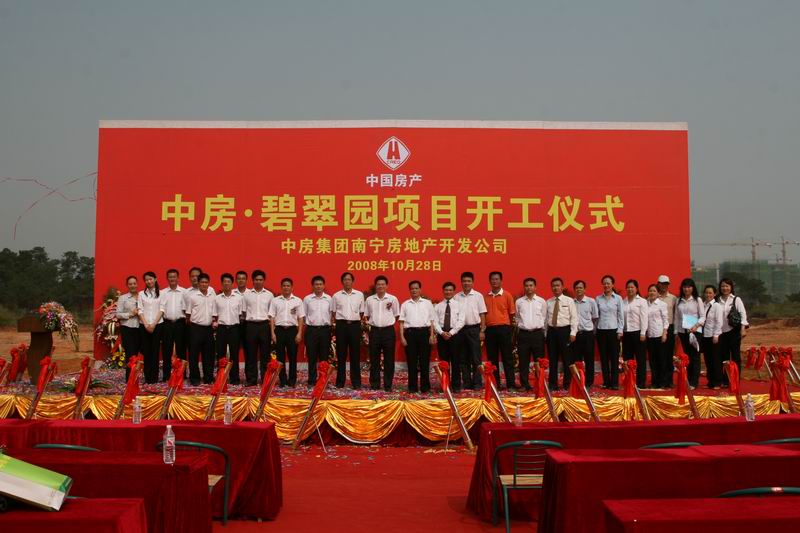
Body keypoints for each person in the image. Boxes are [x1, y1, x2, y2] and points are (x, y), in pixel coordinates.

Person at [363, 275, 400, 391]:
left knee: (389, 359)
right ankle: (375, 384)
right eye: (378, 284)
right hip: (374, 331)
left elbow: (396, 315)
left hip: (388, 331)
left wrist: (386, 323)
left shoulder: (393, 299)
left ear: (386, 286)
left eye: (383, 284)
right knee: (374, 359)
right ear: (375, 286)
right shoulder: (369, 300)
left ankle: (388, 385)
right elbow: (366, 315)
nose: (380, 286)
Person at [399, 280, 436, 393]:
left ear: (420, 289)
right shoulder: (405, 304)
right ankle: (412, 387)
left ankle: (425, 387)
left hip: (424, 333)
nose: (414, 290)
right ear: (409, 290)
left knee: (425, 361)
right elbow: (401, 322)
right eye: (412, 288)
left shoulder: (427, 303)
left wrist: (432, 335)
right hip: (410, 334)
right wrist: (402, 337)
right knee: (411, 362)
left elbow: (432, 320)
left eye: (416, 288)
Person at [269, 278, 305, 387]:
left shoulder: (297, 301)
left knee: (292, 357)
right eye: (284, 285)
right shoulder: (275, 300)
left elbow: (301, 318)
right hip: (279, 330)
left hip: (292, 331)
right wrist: (273, 333)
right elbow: (272, 317)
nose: (286, 287)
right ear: (281, 287)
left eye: (288, 285)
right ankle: (283, 380)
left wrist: (299, 333)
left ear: (292, 287)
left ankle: (292, 380)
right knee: (280, 357)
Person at [484, 271, 517, 389]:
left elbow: (512, 314)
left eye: (497, 279)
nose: (494, 281)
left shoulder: (507, 295)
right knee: (492, 359)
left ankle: (511, 384)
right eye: (492, 279)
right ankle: (495, 384)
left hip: (504, 329)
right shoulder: (485, 297)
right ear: (489, 281)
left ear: (501, 281)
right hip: (490, 330)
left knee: (507, 358)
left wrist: (509, 329)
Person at [454, 272, 487, 389]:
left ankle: (477, 383)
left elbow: (482, 314)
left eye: (469, 281)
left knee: (476, 357)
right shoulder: (456, 297)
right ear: (461, 282)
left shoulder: (478, 296)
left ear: (473, 282)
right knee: (463, 358)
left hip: (474, 329)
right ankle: (467, 382)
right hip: (461, 330)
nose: (466, 283)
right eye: (464, 281)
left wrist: (482, 330)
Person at [333, 272, 365, 389]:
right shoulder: (336, 296)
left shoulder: (359, 295)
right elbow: (334, 312)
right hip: (341, 325)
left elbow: (361, 312)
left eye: (349, 279)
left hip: (354, 326)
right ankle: (340, 382)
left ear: (352, 281)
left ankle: (356, 382)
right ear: (342, 282)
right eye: (345, 279)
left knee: (355, 354)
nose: (347, 281)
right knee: (341, 354)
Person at [545, 278, 578, 391]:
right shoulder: (548, 302)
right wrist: (546, 333)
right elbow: (546, 319)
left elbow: (574, 318)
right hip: (552, 332)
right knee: (552, 359)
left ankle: (567, 383)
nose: (555, 288)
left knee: (567, 359)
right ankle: (553, 384)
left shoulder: (569, 301)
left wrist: (573, 333)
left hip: (565, 331)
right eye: (553, 286)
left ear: (562, 287)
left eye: (558, 285)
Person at [212, 273, 245, 384]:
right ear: (222, 283)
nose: (226, 283)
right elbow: (214, 315)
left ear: (232, 283)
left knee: (234, 354)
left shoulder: (239, 298)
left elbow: (241, 315)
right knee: (220, 354)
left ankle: (234, 378)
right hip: (221, 328)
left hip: (234, 328)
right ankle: (221, 377)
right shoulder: (217, 299)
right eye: (224, 281)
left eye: (228, 282)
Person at [515, 278, 547, 391]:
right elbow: (517, 317)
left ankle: (540, 383)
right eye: (527, 285)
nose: (529, 288)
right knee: (523, 361)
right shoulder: (519, 302)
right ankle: (525, 384)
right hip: (523, 335)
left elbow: (544, 317)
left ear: (535, 287)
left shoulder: (541, 301)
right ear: (524, 287)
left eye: (531, 285)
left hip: (537, 334)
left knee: (539, 361)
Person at [243, 269, 273, 386]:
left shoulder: (269, 295)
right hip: (251, 326)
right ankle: (251, 379)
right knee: (251, 354)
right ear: (252, 280)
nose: (258, 281)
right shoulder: (247, 295)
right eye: (256, 279)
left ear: (264, 281)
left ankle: (265, 379)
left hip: (265, 326)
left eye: (260, 280)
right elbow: (244, 312)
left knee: (265, 354)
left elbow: (272, 313)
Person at [718, 278, 749, 388]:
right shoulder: (717, 300)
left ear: (731, 287)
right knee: (724, 357)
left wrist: (743, 328)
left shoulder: (736, 299)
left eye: (727, 286)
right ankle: (726, 380)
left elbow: (743, 314)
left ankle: (735, 380)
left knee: (735, 357)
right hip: (721, 332)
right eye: (723, 286)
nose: (725, 288)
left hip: (734, 332)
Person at [185, 273, 216, 385]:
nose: (204, 284)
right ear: (198, 283)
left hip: (208, 329)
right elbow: (188, 314)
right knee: (193, 355)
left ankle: (208, 378)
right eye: (202, 282)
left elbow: (215, 313)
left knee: (209, 355)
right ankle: (195, 378)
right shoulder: (192, 297)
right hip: (195, 328)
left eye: (206, 282)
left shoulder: (212, 296)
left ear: (208, 283)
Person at [434, 282, 465, 391]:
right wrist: (441, 332)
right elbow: (435, 322)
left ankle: (456, 386)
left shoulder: (459, 305)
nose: (448, 292)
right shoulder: (438, 306)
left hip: (455, 335)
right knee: (444, 362)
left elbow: (461, 321)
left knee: (456, 361)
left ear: (454, 291)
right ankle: (445, 385)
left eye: (450, 290)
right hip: (442, 335)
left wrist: (451, 333)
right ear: (443, 291)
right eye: (446, 290)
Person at [674, 278, 705, 389]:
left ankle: (694, 382)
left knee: (695, 356)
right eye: (685, 287)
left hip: (695, 332)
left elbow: (702, 316)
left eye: (689, 287)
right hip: (683, 332)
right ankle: (688, 379)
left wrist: (696, 326)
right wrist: (676, 332)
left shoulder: (697, 300)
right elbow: (677, 318)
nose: (686, 289)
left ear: (693, 288)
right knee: (687, 356)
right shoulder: (678, 300)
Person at [303, 275, 333, 387]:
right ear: (313, 286)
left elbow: (332, 314)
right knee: (312, 357)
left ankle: (323, 380)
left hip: (325, 330)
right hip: (311, 330)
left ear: (324, 286)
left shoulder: (329, 299)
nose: (318, 286)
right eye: (316, 284)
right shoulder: (307, 299)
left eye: (320, 284)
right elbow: (304, 315)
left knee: (324, 357)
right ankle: (311, 380)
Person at [596, 275, 624, 390]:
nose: (606, 285)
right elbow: (596, 316)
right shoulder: (598, 299)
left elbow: (621, 316)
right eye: (604, 283)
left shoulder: (618, 298)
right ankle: (606, 382)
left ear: (613, 284)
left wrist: (620, 330)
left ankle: (615, 383)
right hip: (601, 331)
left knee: (614, 358)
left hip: (614, 331)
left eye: (608, 283)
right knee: (603, 358)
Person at [137, 271, 165, 384]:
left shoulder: (161, 293)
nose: (149, 281)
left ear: (155, 279)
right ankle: (147, 377)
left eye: (151, 279)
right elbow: (140, 310)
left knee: (155, 351)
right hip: (144, 325)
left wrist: (153, 324)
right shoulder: (141, 294)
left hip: (157, 325)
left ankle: (154, 377)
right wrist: (146, 324)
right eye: (146, 280)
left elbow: (162, 310)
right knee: (146, 351)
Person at [572, 280, 599, 388]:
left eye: (581, 287)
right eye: (576, 288)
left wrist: (590, 329)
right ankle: (579, 380)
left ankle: (589, 382)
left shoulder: (591, 302)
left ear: (584, 289)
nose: (578, 289)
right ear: (574, 290)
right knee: (577, 360)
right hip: (576, 335)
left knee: (589, 359)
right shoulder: (571, 302)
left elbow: (595, 317)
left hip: (588, 334)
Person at [622, 280, 649, 389]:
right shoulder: (623, 301)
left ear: (636, 289)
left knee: (640, 359)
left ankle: (640, 383)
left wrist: (643, 332)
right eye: (628, 287)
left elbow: (644, 318)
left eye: (632, 287)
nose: (630, 289)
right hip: (626, 333)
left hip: (638, 333)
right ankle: (629, 382)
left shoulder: (642, 301)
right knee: (627, 359)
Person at [160, 268, 186, 378]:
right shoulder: (162, 292)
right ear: (167, 278)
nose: (172, 279)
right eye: (170, 277)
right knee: (166, 349)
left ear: (178, 278)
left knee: (181, 349)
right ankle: (166, 375)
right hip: (167, 324)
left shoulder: (184, 292)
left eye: (174, 276)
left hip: (180, 323)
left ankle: (182, 374)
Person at [116, 275, 142, 380]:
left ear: (137, 284)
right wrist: (130, 314)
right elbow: (118, 314)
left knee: (139, 353)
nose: (132, 285)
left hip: (140, 328)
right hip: (127, 329)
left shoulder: (142, 296)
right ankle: (130, 378)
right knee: (130, 354)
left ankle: (137, 376)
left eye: (134, 283)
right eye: (130, 284)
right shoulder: (123, 298)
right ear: (127, 285)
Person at [645, 284, 669, 389]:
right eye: (650, 291)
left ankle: (663, 382)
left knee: (661, 360)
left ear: (658, 293)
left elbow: (665, 320)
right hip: (650, 335)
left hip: (660, 334)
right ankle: (654, 382)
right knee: (652, 360)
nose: (652, 293)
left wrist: (664, 333)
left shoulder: (662, 304)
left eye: (654, 291)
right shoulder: (645, 304)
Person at [701, 284, 724, 389]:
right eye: (706, 293)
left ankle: (717, 382)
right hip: (705, 335)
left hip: (714, 336)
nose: (708, 295)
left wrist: (716, 335)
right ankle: (710, 381)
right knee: (708, 360)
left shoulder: (716, 306)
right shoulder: (703, 305)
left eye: (710, 293)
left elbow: (719, 321)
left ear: (714, 294)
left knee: (716, 359)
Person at [657, 275, 678, 387]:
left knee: (669, 355)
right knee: (659, 355)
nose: (664, 286)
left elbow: (676, 315)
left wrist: (676, 331)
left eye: (666, 284)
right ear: (658, 284)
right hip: (657, 328)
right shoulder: (654, 296)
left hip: (669, 327)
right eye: (662, 283)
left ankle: (669, 380)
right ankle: (660, 379)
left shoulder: (673, 298)